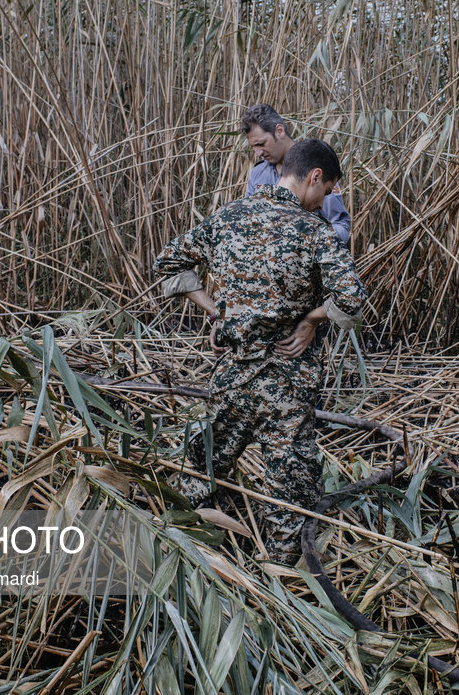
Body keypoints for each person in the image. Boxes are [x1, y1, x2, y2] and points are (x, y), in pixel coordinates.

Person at [153, 139, 366, 565]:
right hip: (290, 380)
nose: (323, 202)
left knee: (203, 465)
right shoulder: (315, 232)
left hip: (234, 374)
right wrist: (310, 321)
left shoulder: (227, 217)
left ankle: (179, 551)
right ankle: (278, 580)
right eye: (325, 193)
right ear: (314, 177)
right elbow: (353, 299)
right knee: (289, 486)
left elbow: (169, 262)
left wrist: (217, 313)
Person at [241, 104, 351, 244]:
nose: (258, 153)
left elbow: (341, 226)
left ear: (279, 131)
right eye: (254, 147)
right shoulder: (257, 174)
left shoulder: (316, 166)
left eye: (261, 144)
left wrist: (306, 241)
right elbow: (248, 220)